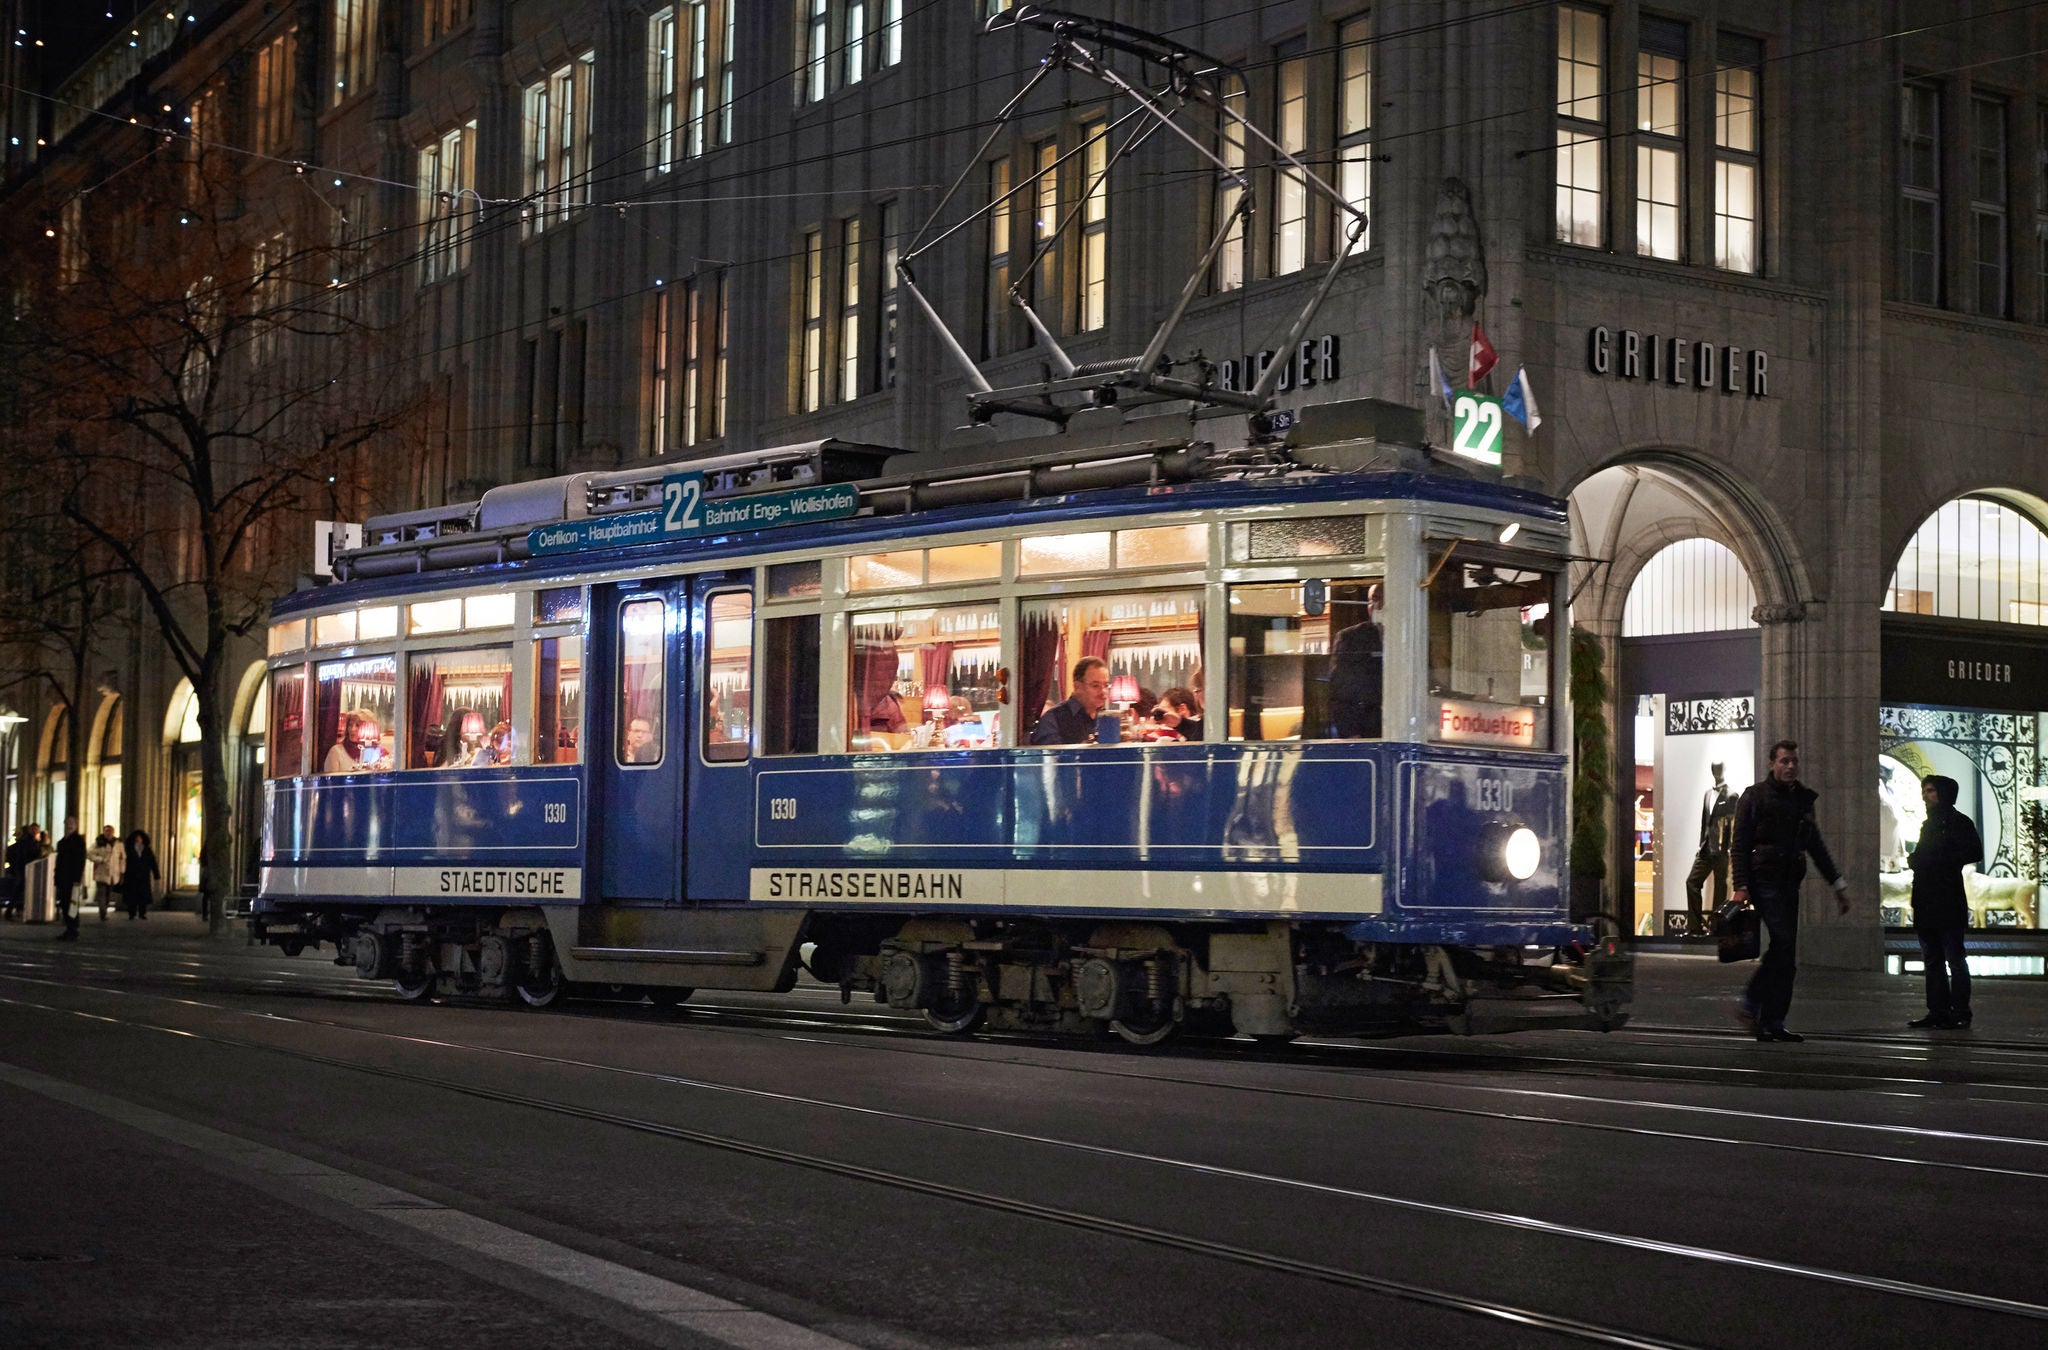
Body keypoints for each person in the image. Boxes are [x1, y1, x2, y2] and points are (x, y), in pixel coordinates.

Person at [1730, 740, 1851, 1043]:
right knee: (1782, 943)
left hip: (1789, 881)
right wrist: (1740, 886)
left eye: (1794, 761)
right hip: (1763, 880)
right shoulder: (1754, 796)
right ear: (1772, 764)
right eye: (1784, 761)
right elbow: (1739, 845)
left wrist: (1837, 884)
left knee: (1787, 955)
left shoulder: (1802, 800)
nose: (1790, 767)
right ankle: (1751, 1001)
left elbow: (1815, 844)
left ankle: (1772, 1020)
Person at [1906, 774, 1981, 1030]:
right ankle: (1937, 1010)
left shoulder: (1958, 822)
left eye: (1930, 791)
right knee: (1933, 958)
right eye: (1925, 791)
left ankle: (1960, 1011)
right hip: (1927, 899)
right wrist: (1917, 860)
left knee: (1954, 957)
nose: (1925, 796)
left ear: (1944, 793)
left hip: (1947, 899)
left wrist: (1937, 859)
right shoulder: (1929, 824)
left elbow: (1972, 851)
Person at [1684, 762, 1737, 936]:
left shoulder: (1732, 795)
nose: (1717, 772)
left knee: (1720, 891)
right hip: (1706, 848)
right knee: (1692, 882)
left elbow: (1733, 824)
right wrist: (1701, 844)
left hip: (1722, 850)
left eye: (1719, 768)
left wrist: (1729, 849)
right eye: (1714, 768)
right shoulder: (1707, 794)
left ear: (1724, 770)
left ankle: (1717, 930)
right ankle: (1695, 927)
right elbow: (1704, 822)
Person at [1327, 583, 1385, 738]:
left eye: (1381, 599)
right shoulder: (1350, 637)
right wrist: (1350, 734)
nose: (1375, 605)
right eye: (1372, 600)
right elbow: (1340, 690)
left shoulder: (1413, 637)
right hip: (1365, 728)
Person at [1031, 657, 1111, 745]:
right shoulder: (1054, 718)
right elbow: (1049, 757)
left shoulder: (1107, 719)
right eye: (1095, 686)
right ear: (1077, 687)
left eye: (1106, 685)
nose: (1103, 692)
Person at [53, 816, 86, 941]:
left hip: (72, 878)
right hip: (62, 878)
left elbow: (80, 861)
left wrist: (78, 878)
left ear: (76, 825)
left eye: (72, 823)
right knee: (64, 904)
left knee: (72, 904)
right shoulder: (61, 842)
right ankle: (69, 928)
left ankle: (72, 929)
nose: (69, 825)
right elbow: (59, 862)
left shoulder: (78, 841)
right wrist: (56, 877)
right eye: (67, 823)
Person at [2, 824, 41, 921]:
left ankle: (13, 910)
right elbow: (27, 856)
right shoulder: (28, 842)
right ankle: (14, 911)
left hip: (23, 869)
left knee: (19, 891)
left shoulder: (27, 842)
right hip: (25, 869)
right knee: (19, 890)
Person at [120, 830, 159, 920]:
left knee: (143, 896)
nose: (138, 839)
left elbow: (152, 862)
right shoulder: (128, 849)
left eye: (140, 838)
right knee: (132, 896)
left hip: (143, 876)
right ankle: (132, 913)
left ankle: (142, 913)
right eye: (136, 838)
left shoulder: (147, 850)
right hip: (131, 875)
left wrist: (156, 873)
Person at [89, 824, 124, 921]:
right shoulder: (98, 842)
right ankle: (102, 912)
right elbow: (89, 853)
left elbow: (122, 858)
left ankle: (105, 909)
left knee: (108, 893)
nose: (108, 833)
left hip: (113, 873)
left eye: (110, 831)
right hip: (101, 871)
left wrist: (122, 871)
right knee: (102, 892)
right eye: (106, 831)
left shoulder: (118, 844)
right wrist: (100, 859)